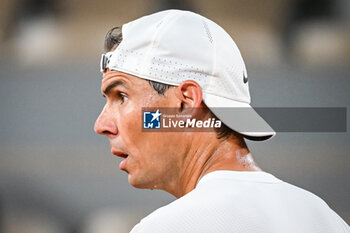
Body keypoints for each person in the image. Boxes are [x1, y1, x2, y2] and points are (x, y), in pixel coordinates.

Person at [94, 9, 349, 233]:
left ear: (185, 104)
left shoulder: (167, 228)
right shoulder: (328, 219)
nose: (101, 124)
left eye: (122, 96)